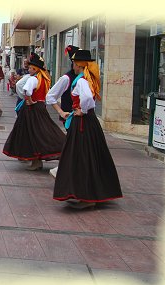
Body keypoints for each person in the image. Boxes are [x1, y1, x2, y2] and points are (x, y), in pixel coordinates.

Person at [53, 49, 122, 209]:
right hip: (89, 122)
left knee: (82, 157)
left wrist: (81, 111)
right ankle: (94, 193)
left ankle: (87, 196)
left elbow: (87, 100)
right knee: (91, 155)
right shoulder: (87, 79)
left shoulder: (82, 81)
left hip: (82, 122)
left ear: (79, 65)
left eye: (75, 64)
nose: (74, 66)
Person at [2, 53, 65, 171]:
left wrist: (29, 101)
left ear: (35, 69)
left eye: (30, 68)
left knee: (32, 133)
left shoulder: (33, 79)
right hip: (41, 107)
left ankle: (36, 160)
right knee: (42, 131)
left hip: (31, 109)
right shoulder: (44, 80)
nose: (28, 69)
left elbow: (26, 91)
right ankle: (36, 159)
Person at [46, 45, 81, 178]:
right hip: (71, 118)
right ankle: (63, 170)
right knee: (73, 145)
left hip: (83, 119)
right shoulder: (66, 78)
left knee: (75, 146)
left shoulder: (85, 78)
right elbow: (50, 96)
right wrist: (61, 112)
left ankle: (65, 170)